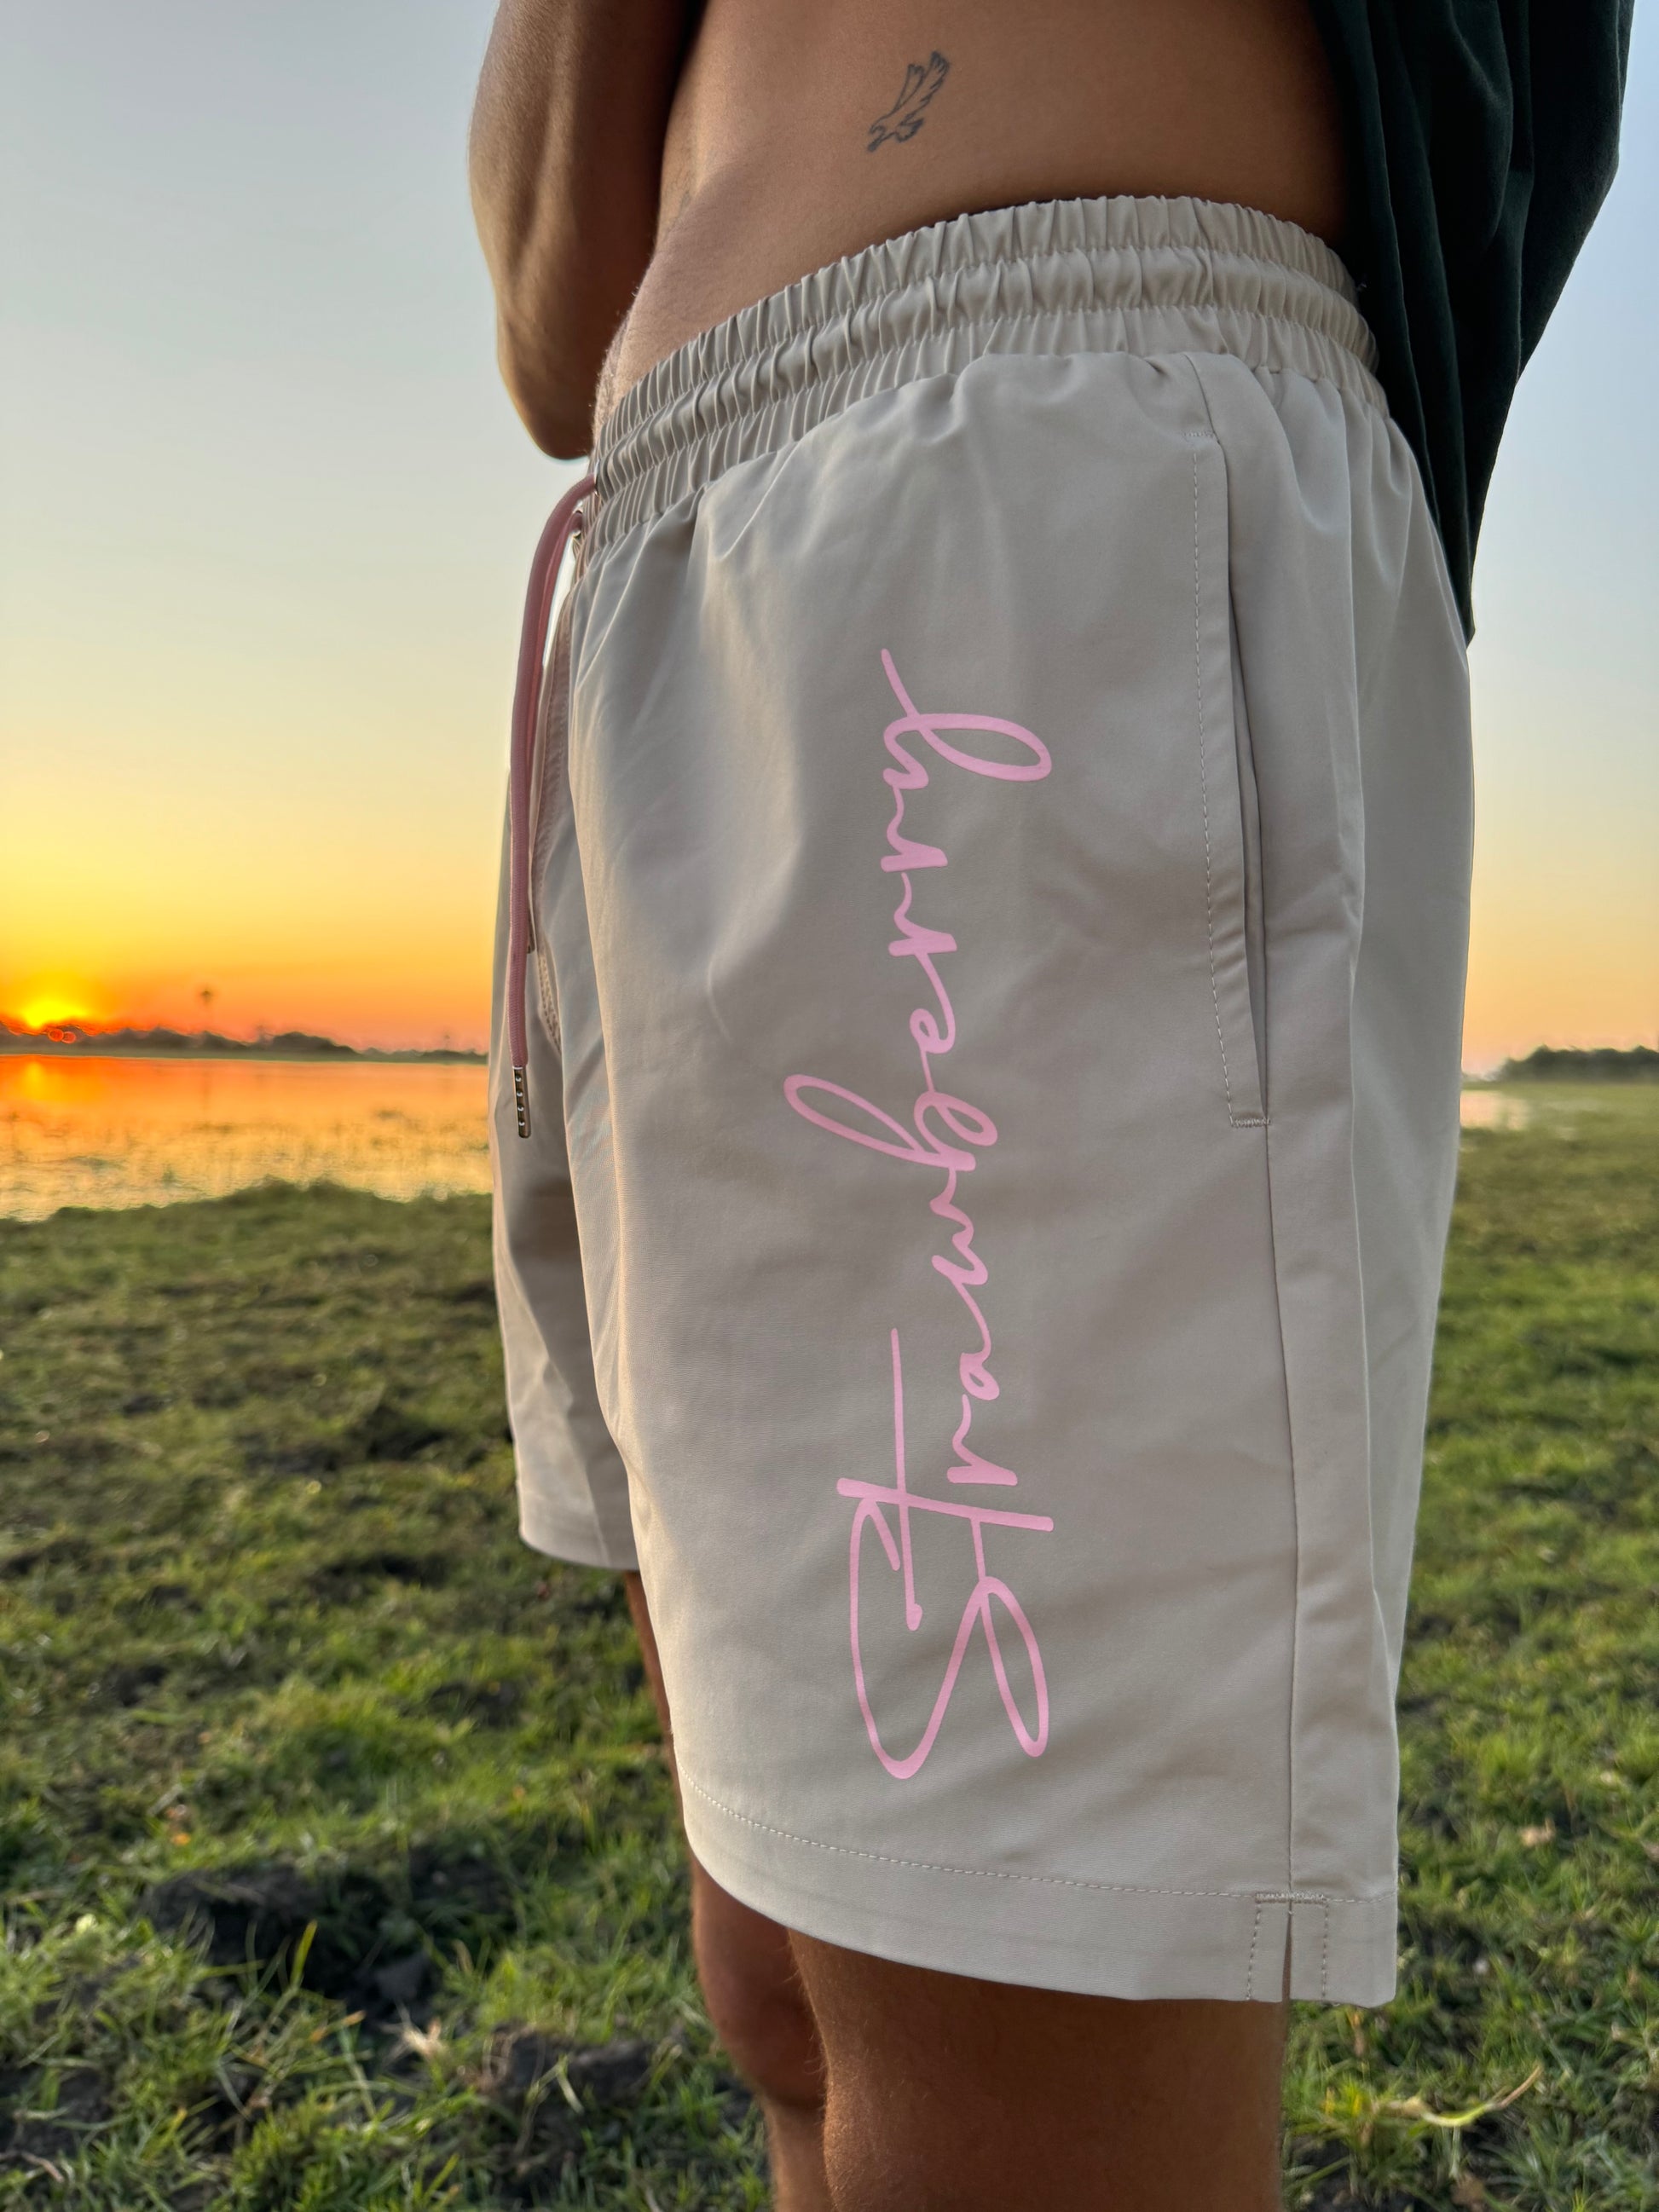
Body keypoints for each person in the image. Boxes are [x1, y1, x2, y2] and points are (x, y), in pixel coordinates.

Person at [469, 5, 1631, 2205]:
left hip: (1028, 474)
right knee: (781, 1972)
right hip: (671, 573)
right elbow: (546, 324)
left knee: (1005, 2062)